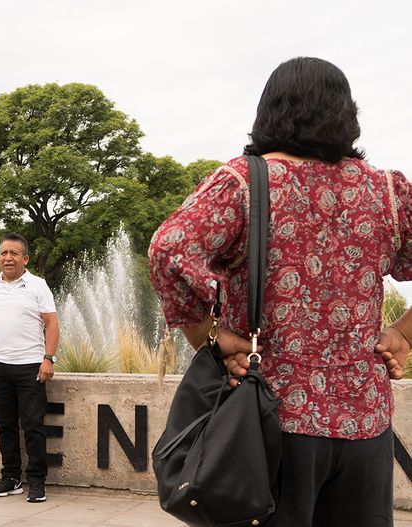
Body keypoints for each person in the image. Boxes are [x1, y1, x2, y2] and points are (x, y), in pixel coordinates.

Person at [148, 57, 412, 526]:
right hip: (367, 425)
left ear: (269, 110)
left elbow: (169, 249)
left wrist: (211, 337)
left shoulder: (244, 182)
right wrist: (404, 334)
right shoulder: (387, 192)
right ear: (347, 113)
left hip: (270, 423)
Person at [0, 232, 59, 503]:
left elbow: (52, 323)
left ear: (24, 258)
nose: (8, 258)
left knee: (33, 425)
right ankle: (11, 478)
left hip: (31, 366)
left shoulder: (38, 285)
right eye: (4, 253)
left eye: (14, 253)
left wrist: (48, 358)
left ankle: (37, 481)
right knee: (4, 425)